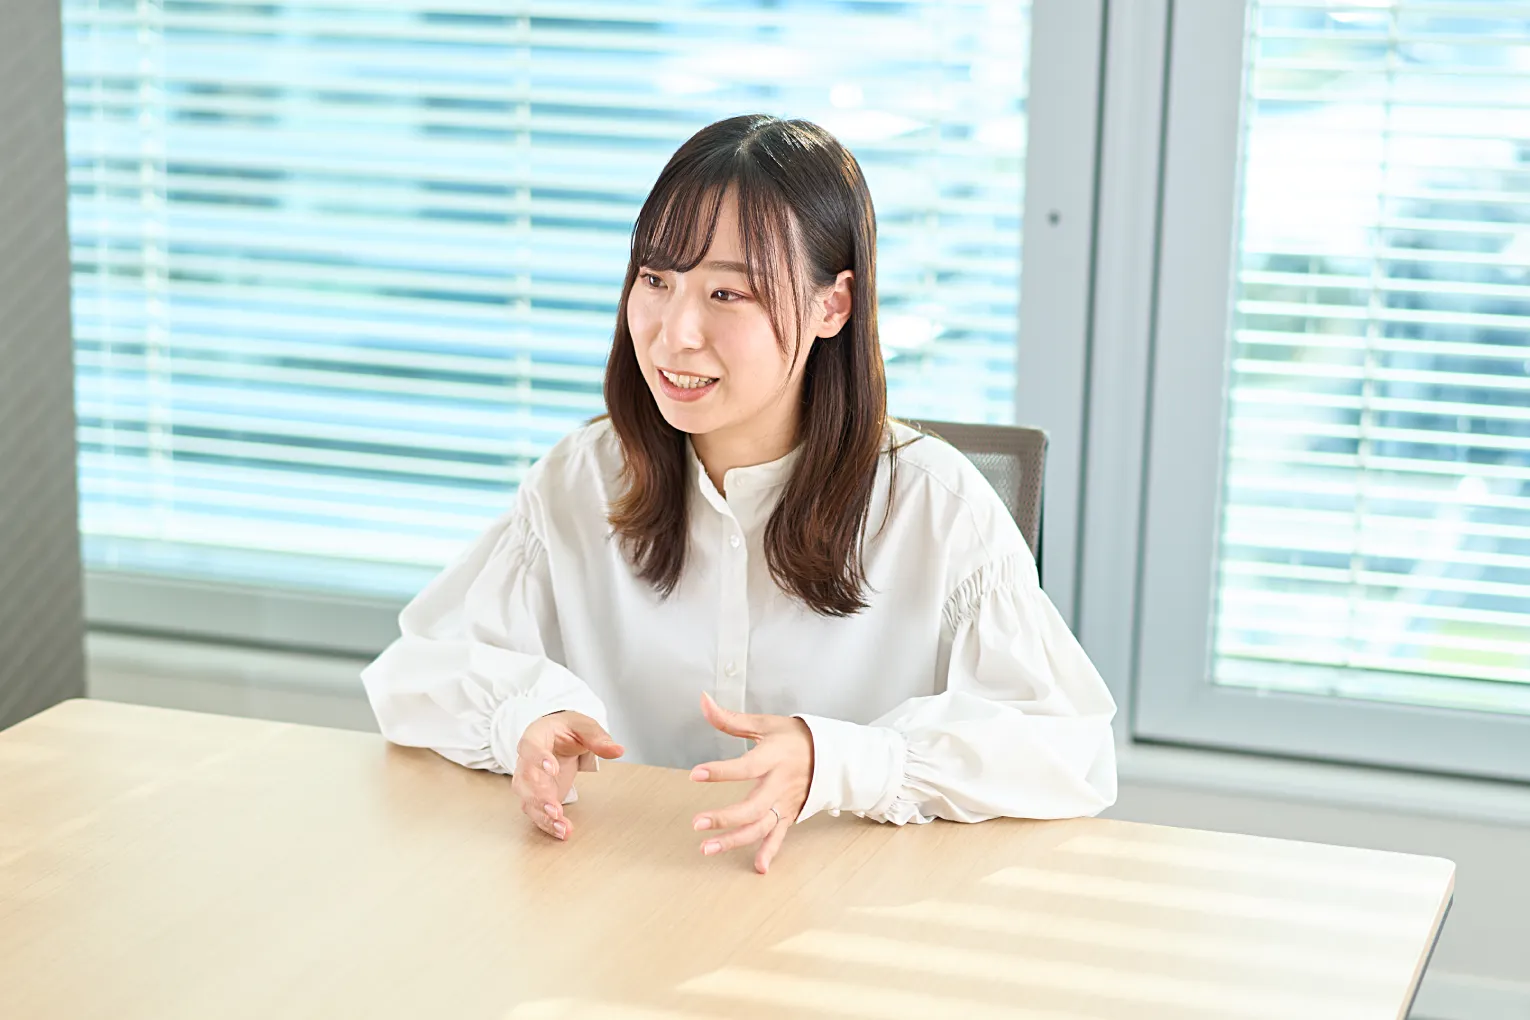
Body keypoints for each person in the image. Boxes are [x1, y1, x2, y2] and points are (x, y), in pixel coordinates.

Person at [360, 114, 1117, 876]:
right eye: (656, 280)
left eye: (727, 292)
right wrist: (525, 718)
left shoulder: (938, 508)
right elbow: (417, 670)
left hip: (839, 909)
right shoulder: (581, 480)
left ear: (833, 306)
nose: (675, 333)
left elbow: (1069, 748)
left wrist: (838, 761)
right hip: (621, 897)